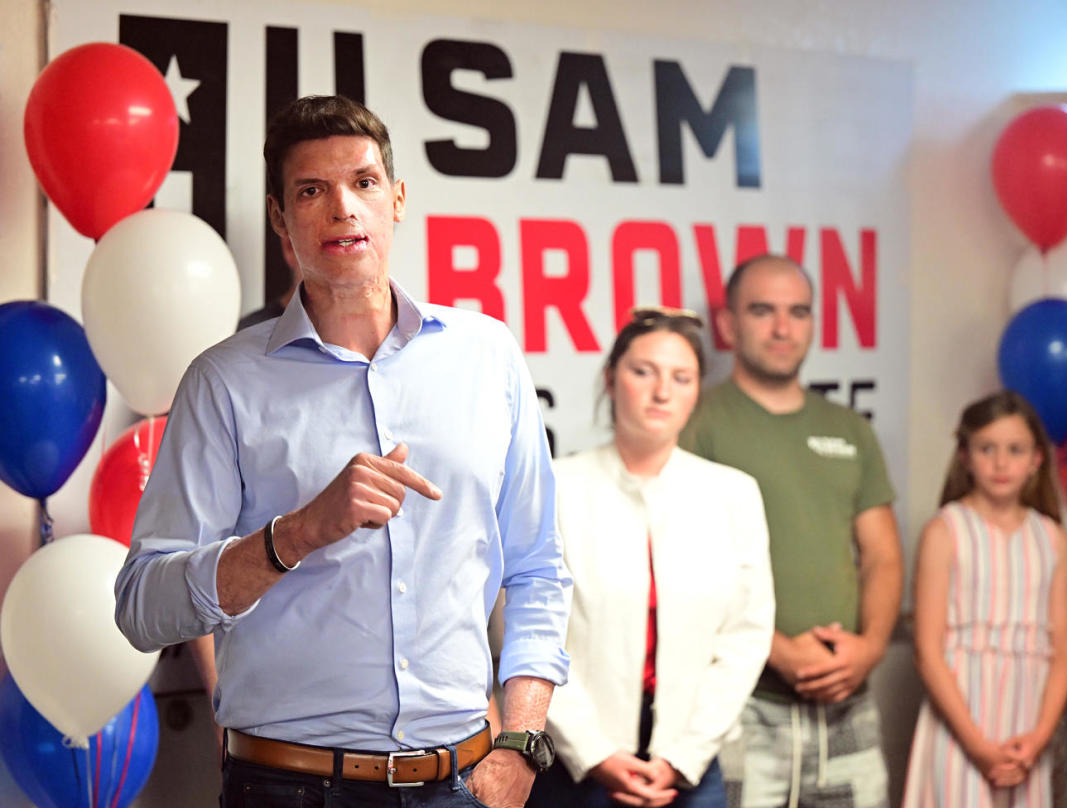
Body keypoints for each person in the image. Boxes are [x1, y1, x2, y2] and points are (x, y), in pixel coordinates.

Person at [114, 95, 571, 808]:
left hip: (465, 783)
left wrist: (521, 743)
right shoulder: (223, 382)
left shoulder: (488, 357)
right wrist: (294, 535)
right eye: (311, 191)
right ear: (280, 218)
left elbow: (539, 568)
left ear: (397, 199)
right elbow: (142, 606)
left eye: (361, 183)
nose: (342, 209)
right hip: (287, 787)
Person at [528, 307, 775, 808]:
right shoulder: (555, 489)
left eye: (681, 378)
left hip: (689, 771)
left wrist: (684, 757)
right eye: (644, 372)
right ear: (611, 379)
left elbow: (745, 639)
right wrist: (594, 753)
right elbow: (527, 635)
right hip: (573, 767)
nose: (663, 392)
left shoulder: (733, 495)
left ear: (696, 391)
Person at [679, 255, 903, 808]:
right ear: (728, 325)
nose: (783, 328)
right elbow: (685, 568)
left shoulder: (849, 429)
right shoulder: (696, 423)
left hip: (849, 703)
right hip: (743, 707)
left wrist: (869, 648)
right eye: (763, 311)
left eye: (798, 312)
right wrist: (774, 651)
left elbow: (882, 558)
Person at [902, 391, 1067, 807]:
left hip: (1026, 731)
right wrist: (978, 745)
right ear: (964, 455)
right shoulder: (945, 531)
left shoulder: (1052, 539)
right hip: (961, 730)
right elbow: (928, 650)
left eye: (1015, 450)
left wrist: (1037, 740)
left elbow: (1063, 652)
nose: (1001, 463)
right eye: (987, 449)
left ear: (1036, 459)